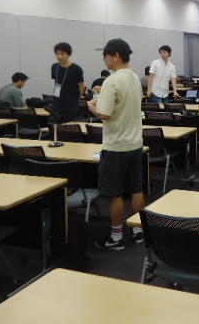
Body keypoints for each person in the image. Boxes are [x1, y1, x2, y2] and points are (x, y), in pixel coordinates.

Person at [87, 39, 144, 250]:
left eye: (106, 55)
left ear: (116, 56)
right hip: (135, 144)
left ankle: (116, 237)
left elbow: (104, 114)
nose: (104, 59)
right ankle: (138, 231)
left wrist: (91, 106)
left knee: (115, 194)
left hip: (116, 146)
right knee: (136, 189)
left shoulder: (112, 81)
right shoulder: (135, 78)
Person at [51, 42, 85, 122]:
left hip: (70, 105)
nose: (59, 56)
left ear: (68, 54)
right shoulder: (54, 67)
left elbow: (81, 85)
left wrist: (79, 97)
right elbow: (56, 82)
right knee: (56, 126)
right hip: (56, 103)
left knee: (67, 126)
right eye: (57, 54)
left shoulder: (76, 69)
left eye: (62, 54)